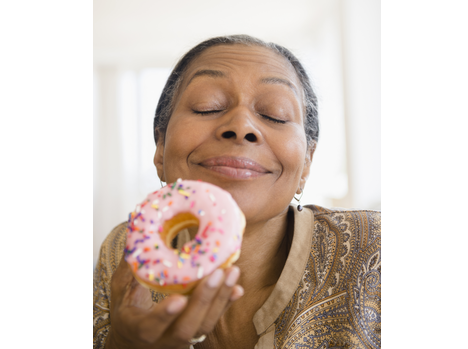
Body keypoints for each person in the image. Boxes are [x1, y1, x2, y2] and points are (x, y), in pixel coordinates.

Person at [93, 35, 381, 349]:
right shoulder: (123, 252)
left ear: (307, 163)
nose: (241, 125)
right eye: (207, 107)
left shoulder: (377, 250)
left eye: (275, 114)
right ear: (161, 149)